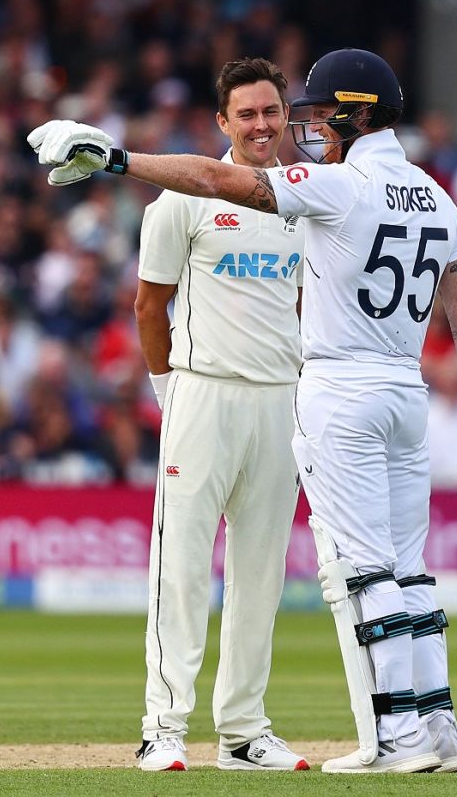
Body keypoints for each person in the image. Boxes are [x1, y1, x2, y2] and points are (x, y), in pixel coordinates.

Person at [28, 48, 457, 774]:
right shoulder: (437, 197)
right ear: (223, 117)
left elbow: (214, 177)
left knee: (351, 571)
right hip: (380, 393)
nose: (304, 127)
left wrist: (114, 157)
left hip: (325, 392)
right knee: (399, 568)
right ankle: (424, 726)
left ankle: (372, 737)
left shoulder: (332, 188)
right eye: (293, 115)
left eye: (318, 115)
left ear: (358, 114)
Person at [107, 58, 311, 772]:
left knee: (261, 574)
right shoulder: (181, 201)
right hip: (202, 393)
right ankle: (163, 727)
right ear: (223, 123)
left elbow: (299, 308)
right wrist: (169, 392)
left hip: (277, 401)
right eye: (246, 115)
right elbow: (148, 306)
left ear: (288, 117)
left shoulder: (301, 201)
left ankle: (244, 731)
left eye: (271, 112)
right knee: (183, 567)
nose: (261, 125)